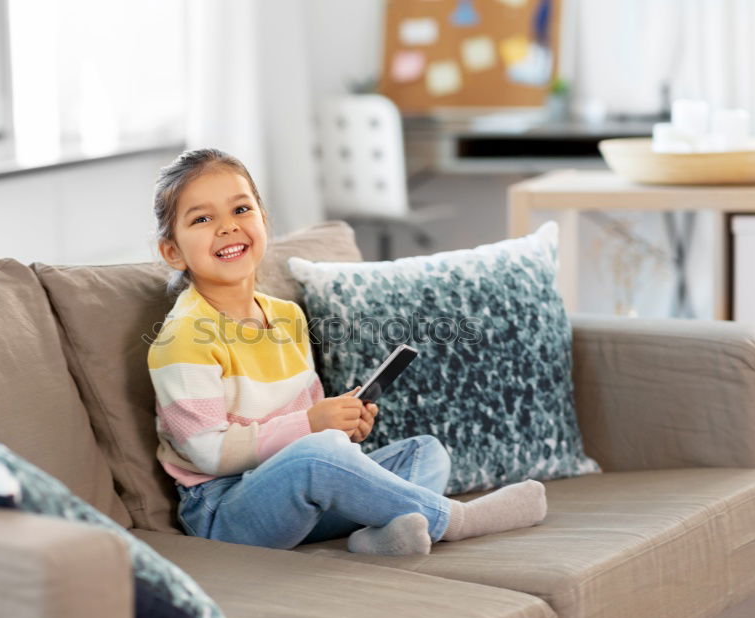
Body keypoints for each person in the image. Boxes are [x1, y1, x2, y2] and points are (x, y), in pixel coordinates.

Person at [148, 148, 547, 556]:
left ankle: (375, 539)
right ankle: (456, 520)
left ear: (264, 222)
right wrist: (312, 428)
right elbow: (209, 453)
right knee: (318, 455)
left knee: (425, 452)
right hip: (224, 511)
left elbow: (308, 417)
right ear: (172, 252)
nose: (228, 228)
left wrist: (341, 424)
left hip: (299, 488)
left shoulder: (287, 316)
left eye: (241, 209)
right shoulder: (184, 337)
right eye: (202, 219)